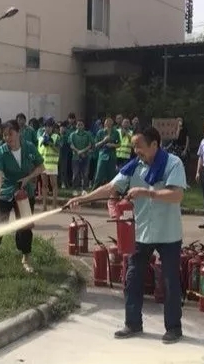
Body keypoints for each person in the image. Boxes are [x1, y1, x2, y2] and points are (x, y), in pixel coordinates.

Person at [65, 127, 186, 344]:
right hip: (141, 232)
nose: (135, 150)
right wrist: (82, 199)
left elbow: (177, 195)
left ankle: (174, 328)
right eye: (133, 146)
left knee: (169, 281)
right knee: (132, 278)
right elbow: (110, 187)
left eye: (139, 146)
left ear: (154, 145)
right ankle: (133, 323)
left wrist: (147, 193)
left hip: (168, 233)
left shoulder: (173, 163)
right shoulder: (134, 167)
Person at [0, 120, 45, 278]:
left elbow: (41, 167)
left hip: (24, 193)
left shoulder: (29, 147)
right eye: (4, 135)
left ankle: (26, 259)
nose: (7, 138)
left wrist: (28, 178)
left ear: (19, 133)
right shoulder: (0, 152)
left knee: (25, 226)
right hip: (5, 192)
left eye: (10, 134)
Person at [91, 117, 120, 190]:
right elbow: (96, 145)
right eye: (107, 122)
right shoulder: (100, 132)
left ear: (112, 123)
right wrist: (103, 141)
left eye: (110, 122)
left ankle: (111, 192)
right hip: (103, 155)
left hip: (112, 156)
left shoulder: (116, 132)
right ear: (104, 124)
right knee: (99, 175)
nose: (108, 123)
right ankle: (94, 191)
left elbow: (119, 144)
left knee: (112, 176)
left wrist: (112, 145)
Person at [38, 118, 60, 211]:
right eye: (46, 126)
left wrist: (51, 144)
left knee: (54, 185)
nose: (48, 128)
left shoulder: (56, 137)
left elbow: (58, 150)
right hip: (43, 164)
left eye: (50, 126)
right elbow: (39, 152)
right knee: (44, 185)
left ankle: (54, 205)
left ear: (52, 128)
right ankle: (44, 205)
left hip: (52, 164)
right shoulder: (40, 138)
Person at [69, 120, 94, 195]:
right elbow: (71, 145)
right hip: (75, 157)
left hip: (85, 156)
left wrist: (83, 151)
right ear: (76, 126)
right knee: (75, 174)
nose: (80, 126)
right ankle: (75, 189)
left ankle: (84, 189)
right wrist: (78, 152)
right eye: (78, 125)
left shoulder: (88, 134)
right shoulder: (73, 134)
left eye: (81, 125)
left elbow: (90, 145)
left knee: (85, 174)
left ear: (84, 126)